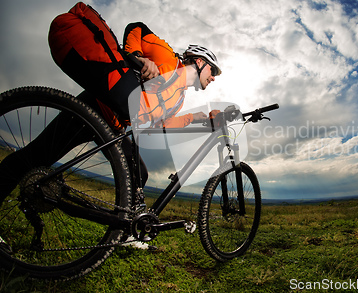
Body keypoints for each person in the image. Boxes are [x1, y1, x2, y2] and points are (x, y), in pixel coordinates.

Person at [0, 22, 221, 249]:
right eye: (212, 71)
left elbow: (160, 124)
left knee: (139, 176)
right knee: (36, 156)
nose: (213, 78)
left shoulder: (179, 98)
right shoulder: (166, 55)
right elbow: (137, 29)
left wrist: (200, 119)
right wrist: (138, 56)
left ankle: (123, 233)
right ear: (200, 61)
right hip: (95, 108)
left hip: (113, 129)